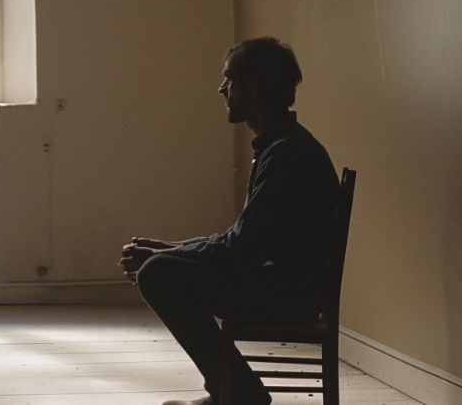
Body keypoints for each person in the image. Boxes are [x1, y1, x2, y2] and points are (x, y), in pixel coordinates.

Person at [118, 37, 339, 405]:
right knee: (160, 266)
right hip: (287, 285)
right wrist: (173, 249)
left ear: (252, 85)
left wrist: (168, 255)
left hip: (287, 296)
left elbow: (241, 248)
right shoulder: (284, 146)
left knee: (157, 273)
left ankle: (239, 393)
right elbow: (243, 239)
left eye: (229, 79)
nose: (222, 88)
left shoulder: (286, 155)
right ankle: (238, 390)